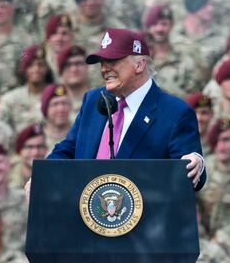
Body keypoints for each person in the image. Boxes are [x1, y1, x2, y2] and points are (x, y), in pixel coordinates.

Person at [45, 27, 206, 190]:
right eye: (102, 63)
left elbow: (191, 175)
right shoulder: (94, 100)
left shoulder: (175, 113)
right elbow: (67, 150)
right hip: (86, 210)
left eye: (113, 61)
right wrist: (42, 178)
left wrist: (196, 162)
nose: (104, 69)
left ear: (139, 65)